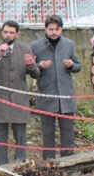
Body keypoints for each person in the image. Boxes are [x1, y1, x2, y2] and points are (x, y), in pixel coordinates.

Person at [0, 20, 39, 165]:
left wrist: (31, 65)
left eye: (11, 32)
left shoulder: (26, 48)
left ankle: (21, 167)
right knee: (0, 140)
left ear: (17, 34)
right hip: (0, 101)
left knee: (20, 139)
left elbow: (36, 74)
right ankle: (2, 168)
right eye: (6, 32)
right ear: (2, 32)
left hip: (19, 101)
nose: (8, 35)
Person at [31, 15, 82, 160]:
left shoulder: (69, 44)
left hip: (66, 96)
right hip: (46, 96)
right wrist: (39, 66)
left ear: (62, 29)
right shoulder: (35, 46)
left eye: (57, 29)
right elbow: (30, 70)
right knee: (47, 133)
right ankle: (49, 162)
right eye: (51, 29)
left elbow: (78, 66)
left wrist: (71, 65)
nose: (54, 32)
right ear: (45, 29)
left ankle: (69, 160)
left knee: (67, 132)